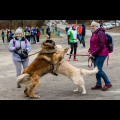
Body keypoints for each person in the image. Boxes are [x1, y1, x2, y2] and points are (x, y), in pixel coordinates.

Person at [88, 21, 112, 91]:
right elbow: (93, 44)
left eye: (93, 26)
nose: (92, 27)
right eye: (91, 26)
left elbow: (101, 45)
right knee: (96, 69)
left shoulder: (100, 32)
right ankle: (98, 84)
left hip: (102, 53)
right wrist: (90, 51)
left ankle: (108, 83)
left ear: (97, 26)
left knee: (98, 69)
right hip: (96, 53)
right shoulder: (94, 33)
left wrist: (93, 53)